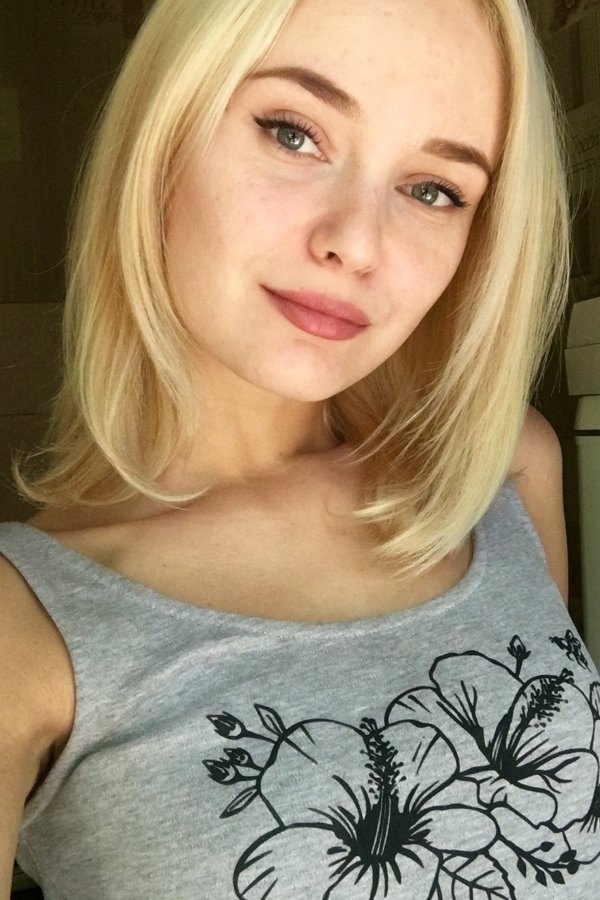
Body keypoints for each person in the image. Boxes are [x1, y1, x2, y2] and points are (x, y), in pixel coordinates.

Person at [1, 0, 598, 897]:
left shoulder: (501, 470)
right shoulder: (27, 630)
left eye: (434, 189)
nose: (356, 243)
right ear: (164, 130)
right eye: (293, 133)